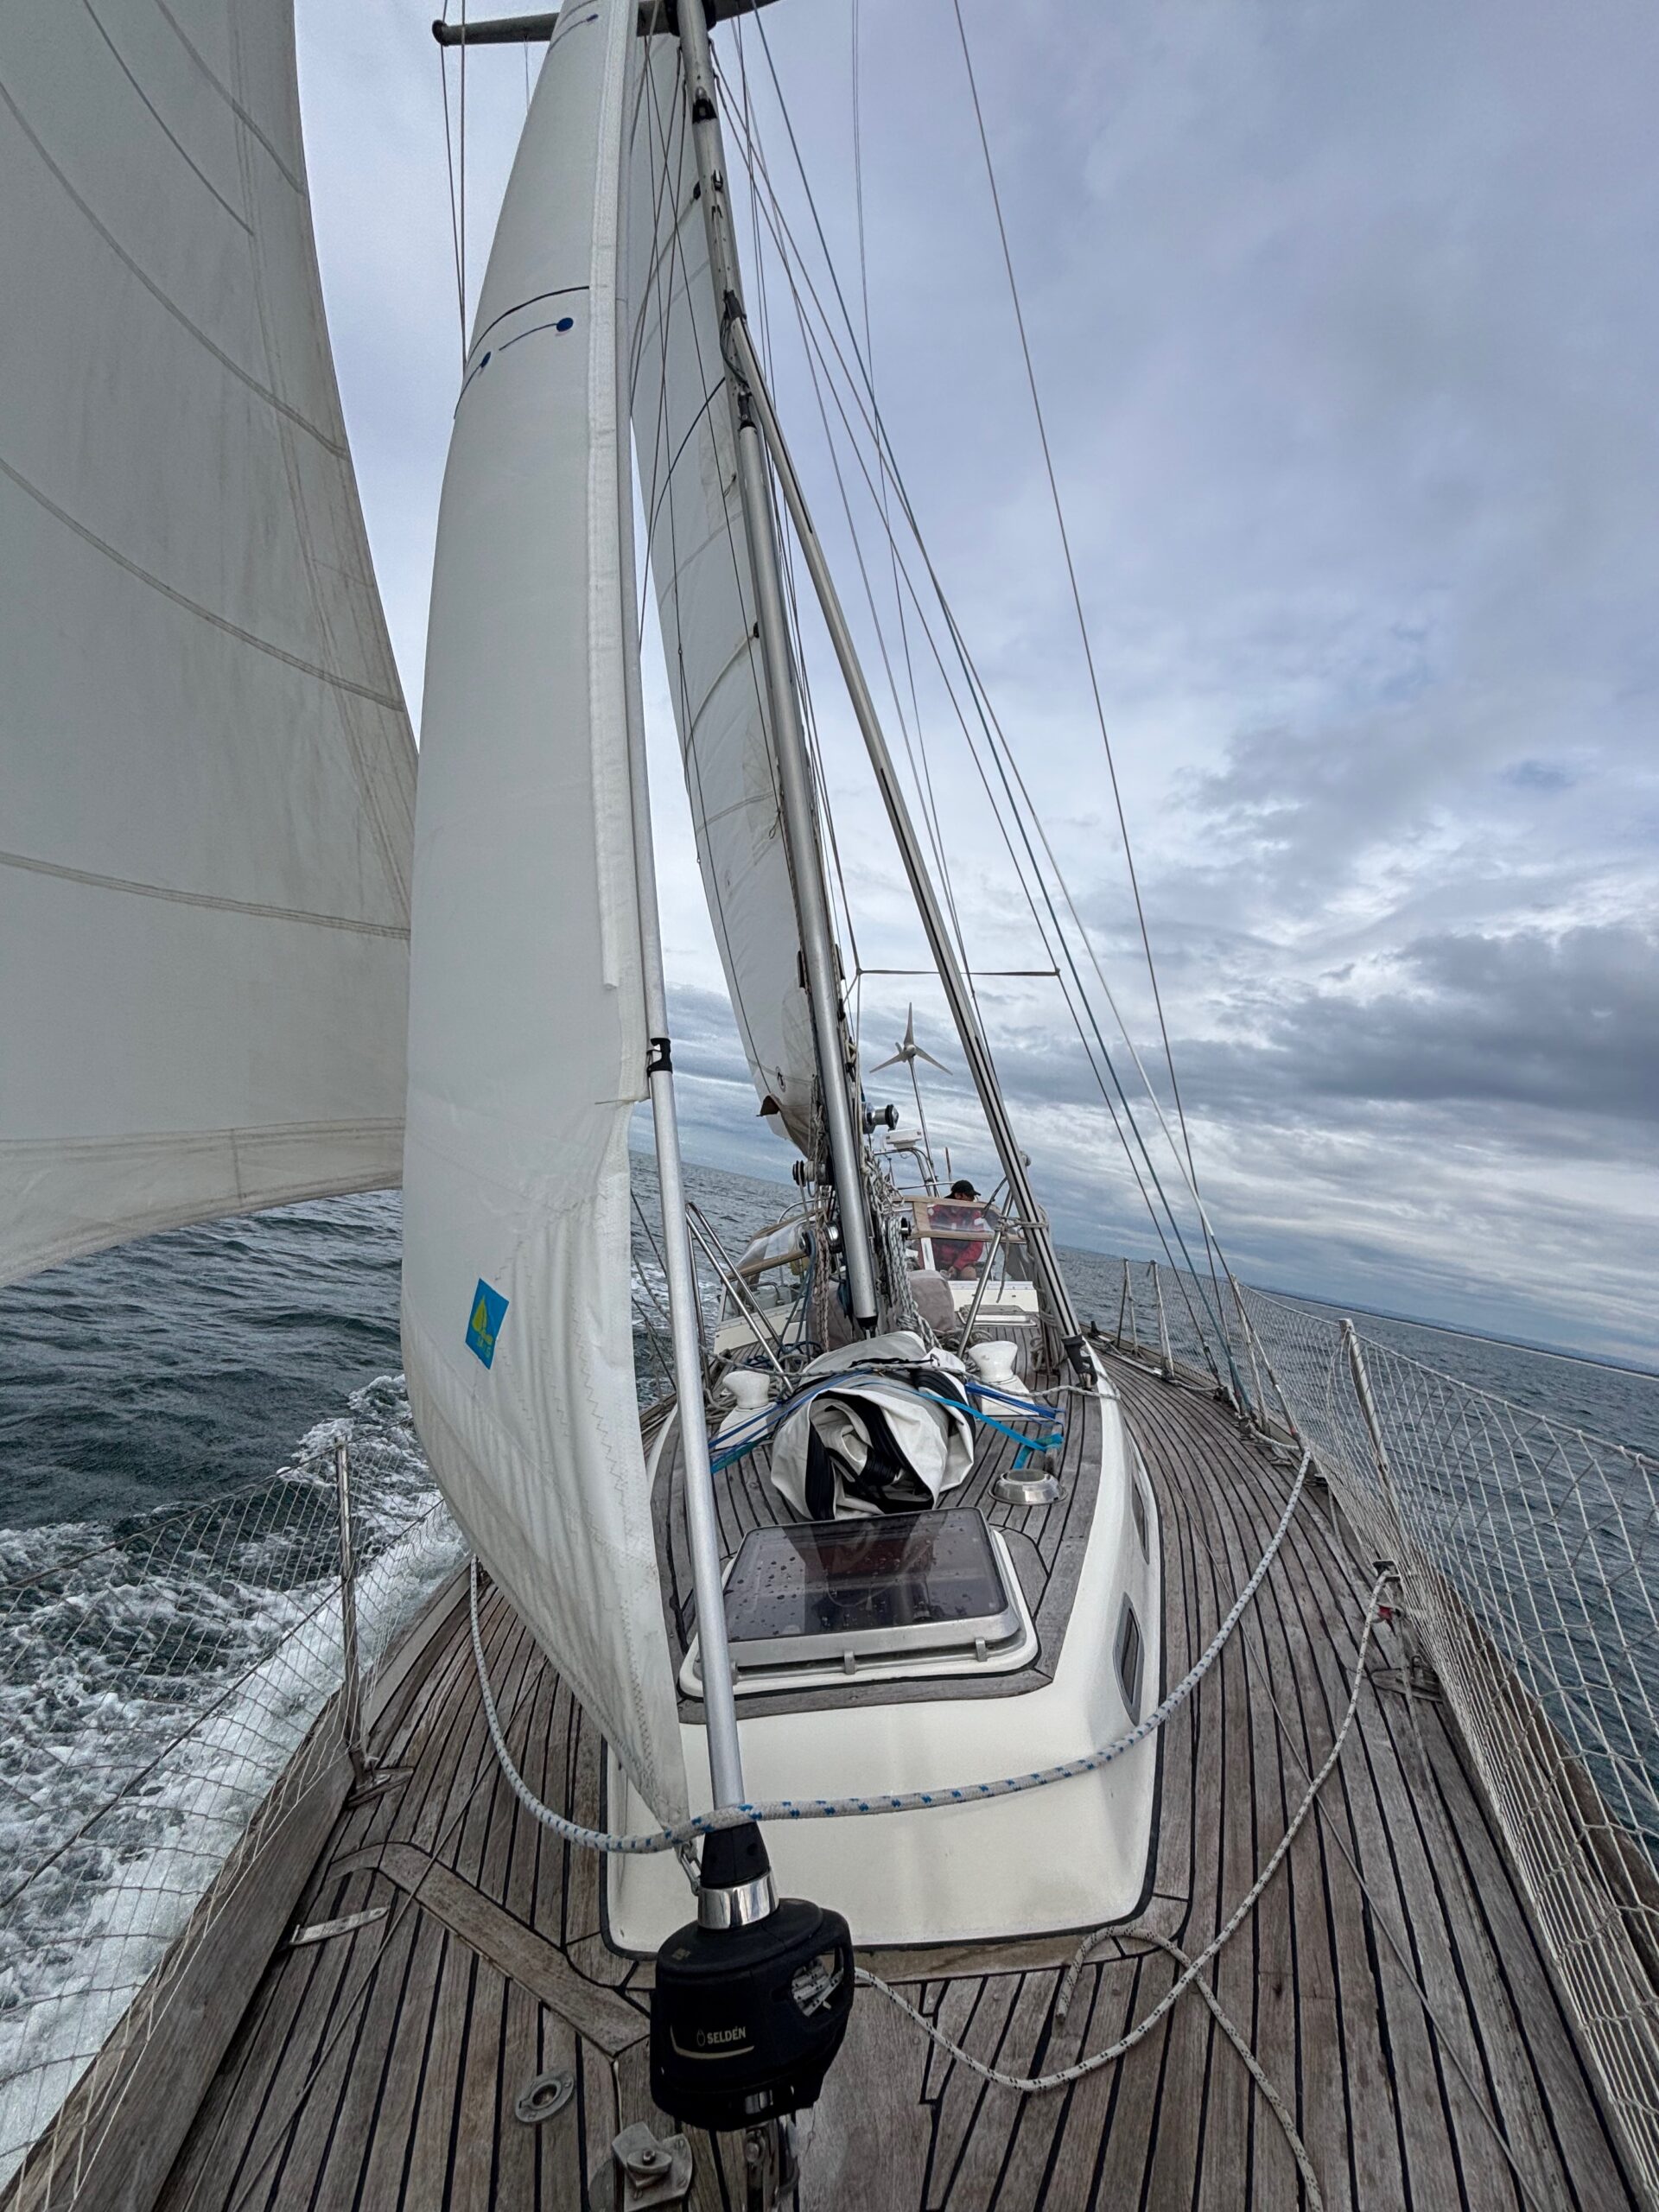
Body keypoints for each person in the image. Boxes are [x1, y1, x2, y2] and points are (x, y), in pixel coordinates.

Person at [931, 1179, 988, 1278]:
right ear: (958, 1195)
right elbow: (924, 1240)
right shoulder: (936, 1212)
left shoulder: (975, 1216)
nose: (972, 1200)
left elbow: (977, 1246)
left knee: (969, 1275)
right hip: (936, 1260)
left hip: (961, 1263)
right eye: (969, 1196)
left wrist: (958, 1265)